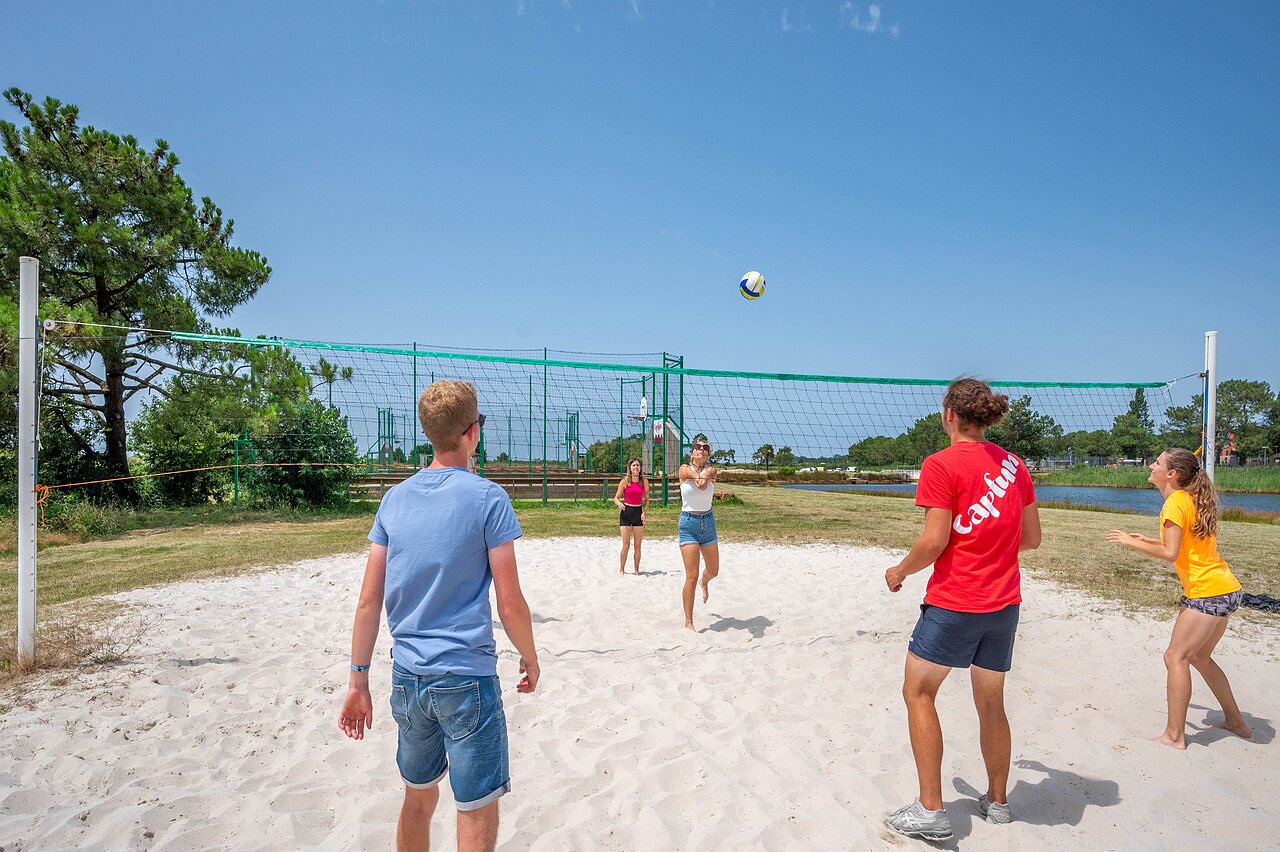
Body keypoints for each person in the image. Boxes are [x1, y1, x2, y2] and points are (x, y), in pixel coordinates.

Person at [338, 380, 540, 852]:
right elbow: (510, 604)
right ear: (473, 432)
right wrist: (530, 656)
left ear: (429, 432)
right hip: (466, 678)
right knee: (475, 810)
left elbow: (369, 602)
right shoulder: (490, 499)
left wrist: (357, 680)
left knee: (418, 799)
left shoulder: (394, 500)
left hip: (408, 680)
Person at [883, 379, 1041, 841]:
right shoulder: (1015, 465)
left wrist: (899, 571)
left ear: (950, 414)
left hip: (956, 602)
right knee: (991, 702)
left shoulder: (940, 464)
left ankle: (931, 810)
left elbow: (934, 541)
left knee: (919, 693)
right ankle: (997, 801)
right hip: (1003, 605)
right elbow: (1031, 539)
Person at [1105, 447, 1250, 749]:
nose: (1151, 465)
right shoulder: (1189, 499)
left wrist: (1130, 545)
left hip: (1206, 593)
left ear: (1171, 474)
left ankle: (1174, 736)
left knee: (1176, 657)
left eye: (1156, 462)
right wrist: (1145, 539)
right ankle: (1236, 722)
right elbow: (1184, 547)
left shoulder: (1175, 503)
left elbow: (1170, 553)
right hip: (1225, 588)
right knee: (1199, 657)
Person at [678, 434, 719, 630]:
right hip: (689, 523)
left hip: (708, 523)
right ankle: (688, 621)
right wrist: (698, 477)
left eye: (705, 448)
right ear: (692, 451)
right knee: (690, 576)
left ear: (708, 454)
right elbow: (691, 476)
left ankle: (706, 582)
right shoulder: (683, 469)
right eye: (698, 447)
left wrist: (704, 477)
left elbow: (708, 477)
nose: (701, 450)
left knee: (713, 571)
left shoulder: (712, 470)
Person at [613, 458, 649, 575]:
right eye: (633, 466)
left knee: (638, 545)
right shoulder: (624, 482)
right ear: (630, 468)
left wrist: (644, 512)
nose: (636, 468)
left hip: (638, 512)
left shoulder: (644, 482)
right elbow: (616, 498)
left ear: (640, 468)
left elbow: (647, 500)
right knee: (626, 545)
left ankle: (636, 569)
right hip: (626, 513)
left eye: (637, 465)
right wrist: (619, 504)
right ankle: (622, 569)